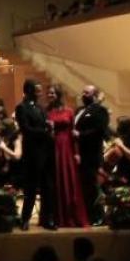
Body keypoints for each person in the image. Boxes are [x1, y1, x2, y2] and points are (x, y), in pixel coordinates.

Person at [15, 79, 56, 231]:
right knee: (31, 188)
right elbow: (26, 129)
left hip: (45, 152)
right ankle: (25, 218)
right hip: (32, 153)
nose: (39, 93)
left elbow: (44, 124)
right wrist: (45, 132)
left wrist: (49, 126)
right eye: (36, 90)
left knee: (48, 187)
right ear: (29, 91)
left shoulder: (40, 108)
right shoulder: (21, 107)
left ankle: (48, 218)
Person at [47, 84, 88, 228]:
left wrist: (77, 153)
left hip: (67, 147)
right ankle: (58, 216)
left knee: (68, 179)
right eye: (49, 93)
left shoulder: (69, 111)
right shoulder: (47, 111)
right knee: (56, 180)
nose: (49, 95)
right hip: (53, 146)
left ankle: (71, 214)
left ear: (58, 94)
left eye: (52, 93)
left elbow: (73, 133)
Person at [73, 85, 109, 224]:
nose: (83, 94)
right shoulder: (80, 111)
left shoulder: (100, 111)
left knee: (93, 187)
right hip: (80, 154)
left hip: (92, 155)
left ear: (94, 95)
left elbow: (99, 130)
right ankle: (87, 215)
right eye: (83, 92)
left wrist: (80, 134)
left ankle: (99, 216)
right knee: (85, 187)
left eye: (86, 93)